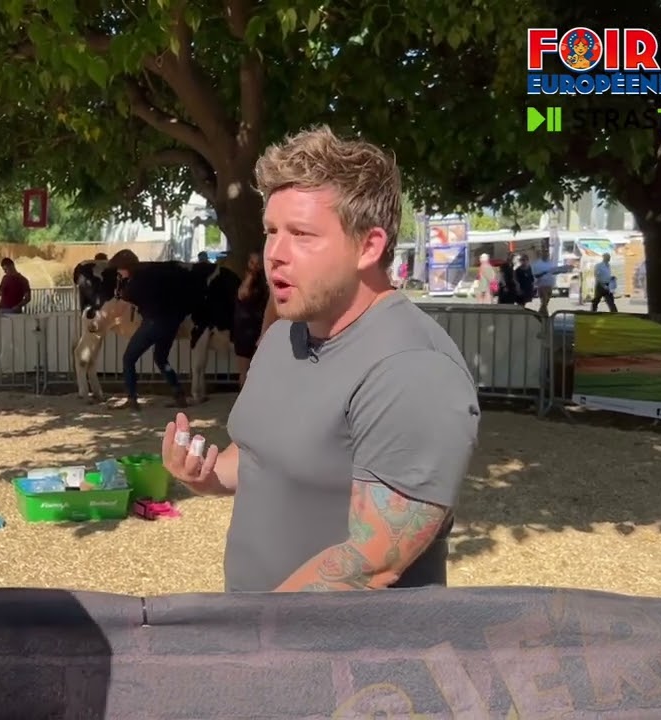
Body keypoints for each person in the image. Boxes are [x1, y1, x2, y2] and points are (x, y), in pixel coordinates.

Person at [159, 126, 478, 593]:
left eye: (302, 235)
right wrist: (205, 475)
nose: (275, 254)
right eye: (271, 232)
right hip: (256, 627)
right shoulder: (284, 336)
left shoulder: (412, 368)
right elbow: (258, 456)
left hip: (337, 641)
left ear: (368, 246)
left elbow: (374, 561)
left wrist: (257, 626)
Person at [108, 249, 190, 411]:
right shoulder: (153, 274)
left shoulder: (133, 285)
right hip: (171, 323)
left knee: (128, 359)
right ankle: (178, 394)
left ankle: (132, 398)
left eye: (119, 269)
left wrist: (119, 294)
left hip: (153, 323)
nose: (118, 272)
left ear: (126, 268)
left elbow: (119, 310)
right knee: (161, 358)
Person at [232, 250, 269, 385]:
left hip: (259, 328)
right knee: (244, 370)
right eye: (252, 263)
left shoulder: (264, 283)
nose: (254, 266)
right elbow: (243, 294)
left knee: (260, 368)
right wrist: (251, 276)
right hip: (244, 330)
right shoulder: (246, 282)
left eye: (257, 263)